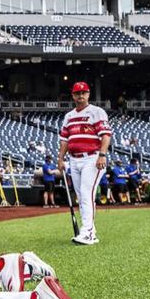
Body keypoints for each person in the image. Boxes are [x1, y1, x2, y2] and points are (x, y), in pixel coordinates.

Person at [57, 82, 111, 245]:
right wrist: (60, 158)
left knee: (87, 194)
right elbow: (65, 140)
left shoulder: (97, 112)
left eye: (84, 93)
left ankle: (86, 232)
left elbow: (106, 135)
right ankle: (90, 231)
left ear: (88, 94)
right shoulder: (69, 116)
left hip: (92, 158)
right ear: (73, 96)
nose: (80, 96)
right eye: (77, 93)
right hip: (74, 159)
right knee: (81, 196)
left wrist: (102, 155)